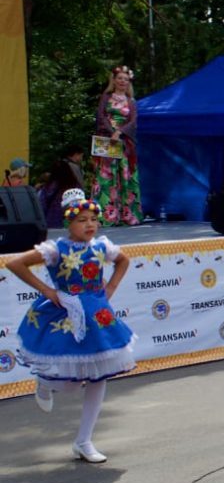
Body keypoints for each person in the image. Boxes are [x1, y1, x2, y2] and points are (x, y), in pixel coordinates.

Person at [8, 189, 136, 463]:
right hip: (66, 315)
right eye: (82, 220)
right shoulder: (57, 249)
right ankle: (44, 381)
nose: (89, 225)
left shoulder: (101, 246)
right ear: (69, 223)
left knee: (98, 378)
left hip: (99, 317)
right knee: (69, 384)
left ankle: (84, 440)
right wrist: (48, 291)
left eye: (93, 219)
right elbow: (16, 263)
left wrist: (111, 286)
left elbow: (123, 260)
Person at [92, 65, 142, 226]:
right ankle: (106, 216)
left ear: (129, 82)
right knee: (106, 175)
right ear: (114, 80)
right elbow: (101, 116)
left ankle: (127, 214)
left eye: (126, 80)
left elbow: (133, 121)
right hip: (107, 140)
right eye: (120, 78)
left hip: (124, 141)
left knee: (125, 175)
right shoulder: (106, 97)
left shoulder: (131, 101)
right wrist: (111, 131)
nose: (122, 82)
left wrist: (119, 132)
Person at [42, 145, 86, 227]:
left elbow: (44, 201)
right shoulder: (75, 181)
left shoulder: (50, 186)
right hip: (72, 220)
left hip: (52, 219)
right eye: (81, 156)